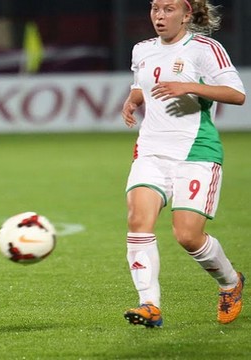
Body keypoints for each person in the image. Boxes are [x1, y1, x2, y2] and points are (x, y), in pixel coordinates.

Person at [120, 0, 245, 328]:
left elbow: (237, 94)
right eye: (155, 9)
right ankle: (149, 304)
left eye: (169, 9)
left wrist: (190, 85)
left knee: (188, 237)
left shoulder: (205, 48)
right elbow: (142, 83)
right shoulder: (142, 49)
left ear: (187, 14)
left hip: (196, 153)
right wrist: (133, 100)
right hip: (150, 151)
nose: (159, 16)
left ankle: (230, 282)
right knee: (138, 220)